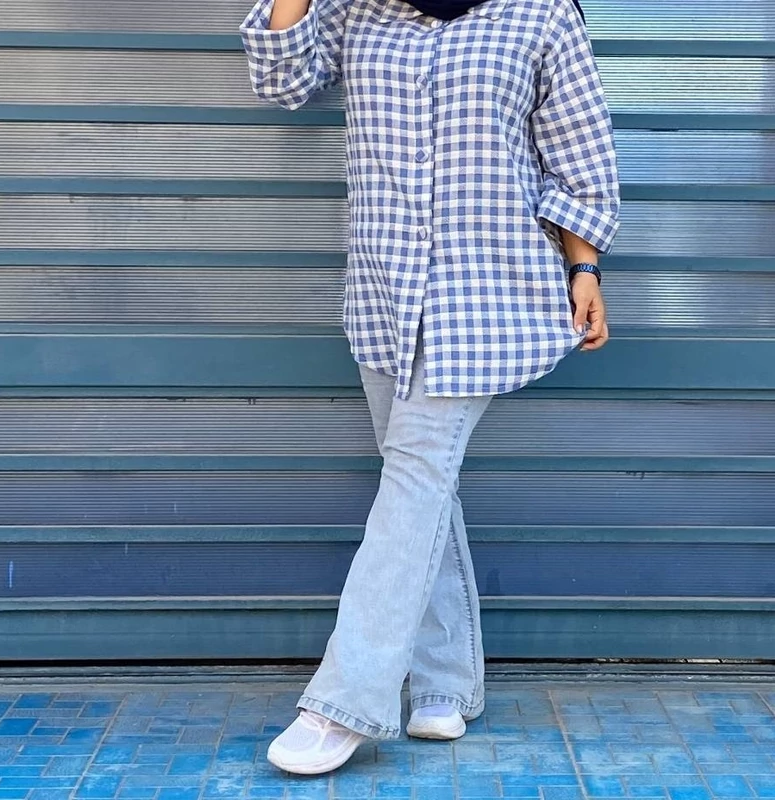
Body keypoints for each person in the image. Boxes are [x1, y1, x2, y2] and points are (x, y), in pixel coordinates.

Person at [240, 0, 619, 775]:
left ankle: (343, 703)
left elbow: (579, 151)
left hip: (485, 299)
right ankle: (445, 683)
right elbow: (282, 81)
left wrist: (584, 266)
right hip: (385, 293)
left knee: (413, 481)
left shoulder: (541, 13)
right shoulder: (355, 10)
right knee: (423, 487)